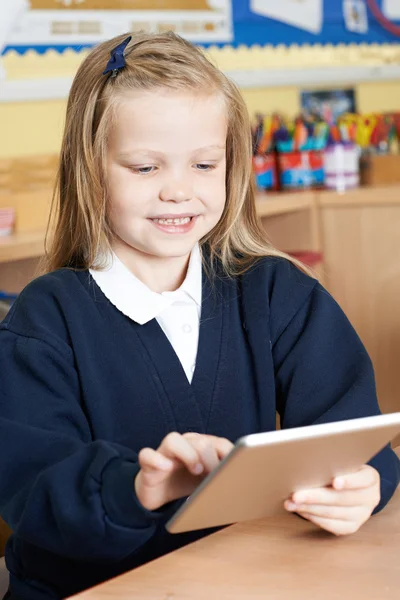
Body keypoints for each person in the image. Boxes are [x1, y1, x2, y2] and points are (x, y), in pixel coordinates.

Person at [0, 31, 398, 600]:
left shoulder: (275, 291)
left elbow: (350, 435)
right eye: (144, 168)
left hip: (243, 577)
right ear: (90, 170)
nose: (179, 191)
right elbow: (34, 488)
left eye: (205, 164)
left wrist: (363, 483)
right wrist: (137, 488)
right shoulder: (45, 319)